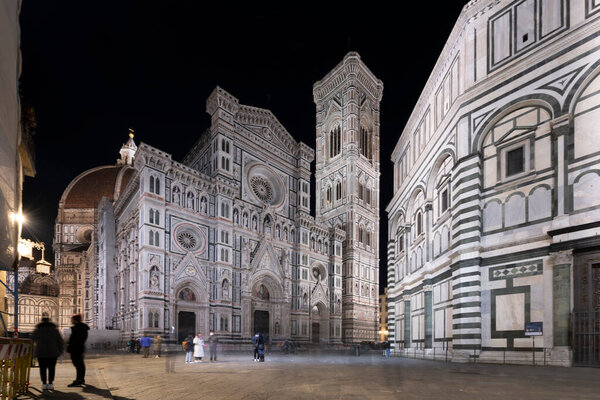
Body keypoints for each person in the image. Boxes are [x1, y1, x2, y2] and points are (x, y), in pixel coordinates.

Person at [32, 312, 64, 390]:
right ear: (49, 320)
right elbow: (60, 341)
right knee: (52, 368)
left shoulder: (38, 329)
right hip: (53, 353)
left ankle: (43, 383)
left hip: (41, 353)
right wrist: (60, 351)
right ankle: (50, 383)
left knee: (42, 368)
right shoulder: (55, 330)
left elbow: (32, 339)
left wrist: (33, 352)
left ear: (42, 320)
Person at [66, 314, 89, 387]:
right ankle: (80, 379)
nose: (71, 321)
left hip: (76, 349)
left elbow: (75, 339)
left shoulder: (78, 328)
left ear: (75, 320)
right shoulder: (82, 328)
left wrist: (71, 346)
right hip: (79, 348)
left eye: (72, 319)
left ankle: (79, 380)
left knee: (78, 364)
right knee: (80, 364)